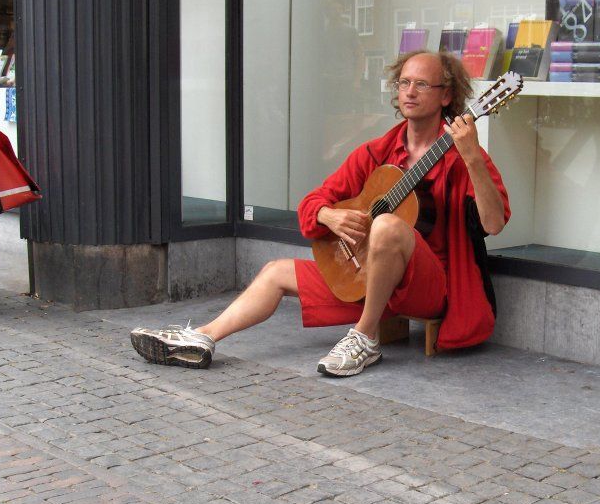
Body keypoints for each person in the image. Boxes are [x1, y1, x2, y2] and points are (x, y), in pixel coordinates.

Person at [130, 51, 510, 376]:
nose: (409, 92)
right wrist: (329, 216)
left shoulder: (462, 155)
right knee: (276, 271)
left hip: (428, 288)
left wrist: (472, 156)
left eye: (422, 85)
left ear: (447, 96)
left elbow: (493, 223)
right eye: (404, 83)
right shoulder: (376, 152)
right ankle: (201, 339)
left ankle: (365, 338)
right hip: (370, 280)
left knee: (389, 226)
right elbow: (313, 203)